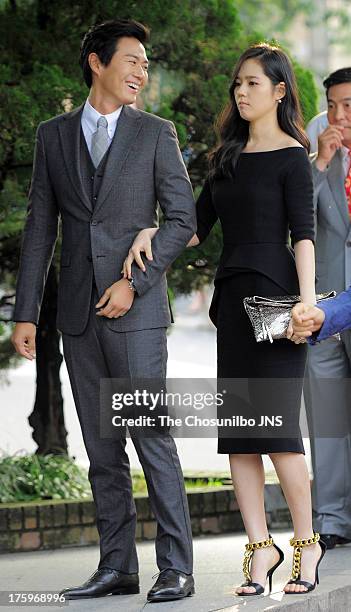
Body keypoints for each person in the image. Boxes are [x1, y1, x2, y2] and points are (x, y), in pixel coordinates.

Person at [123, 43, 326, 596]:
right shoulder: (224, 159)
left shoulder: (293, 158)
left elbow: (302, 236)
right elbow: (192, 230)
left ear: (280, 91)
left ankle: (308, 547)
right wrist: (151, 231)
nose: (241, 91)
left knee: (282, 437)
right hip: (233, 304)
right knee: (239, 438)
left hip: (282, 307)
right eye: (238, 83)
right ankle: (261, 553)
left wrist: (308, 304)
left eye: (253, 83)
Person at [11, 19, 196, 603]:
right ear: (97, 62)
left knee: (151, 438)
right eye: (133, 60)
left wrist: (132, 285)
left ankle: (177, 568)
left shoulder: (155, 133)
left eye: (146, 63)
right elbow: (41, 226)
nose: (142, 72)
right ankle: (117, 566)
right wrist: (25, 312)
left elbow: (183, 221)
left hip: (135, 315)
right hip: (77, 318)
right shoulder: (53, 136)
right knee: (101, 449)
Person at [301, 67, 351, 551]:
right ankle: (332, 518)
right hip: (327, 302)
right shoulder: (317, 135)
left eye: (349, 106)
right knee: (328, 414)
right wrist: (320, 164)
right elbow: (298, 217)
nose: (338, 115)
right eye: (333, 103)